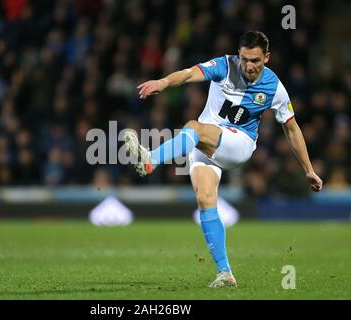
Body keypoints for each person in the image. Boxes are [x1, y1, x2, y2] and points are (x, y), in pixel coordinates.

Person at [124, 31, 323, 288]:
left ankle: (149, 160)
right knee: (205, 198)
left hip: (238, 144)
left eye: (255, 61)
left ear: (267, 58)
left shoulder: (275, 87)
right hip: (205, 143)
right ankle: (225, 273)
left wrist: (308, 169)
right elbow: (187, 74)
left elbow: (291, 128)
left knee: (193, 127)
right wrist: (162, 83)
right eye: (244, 59)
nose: (248, 66)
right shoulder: (224, 66)